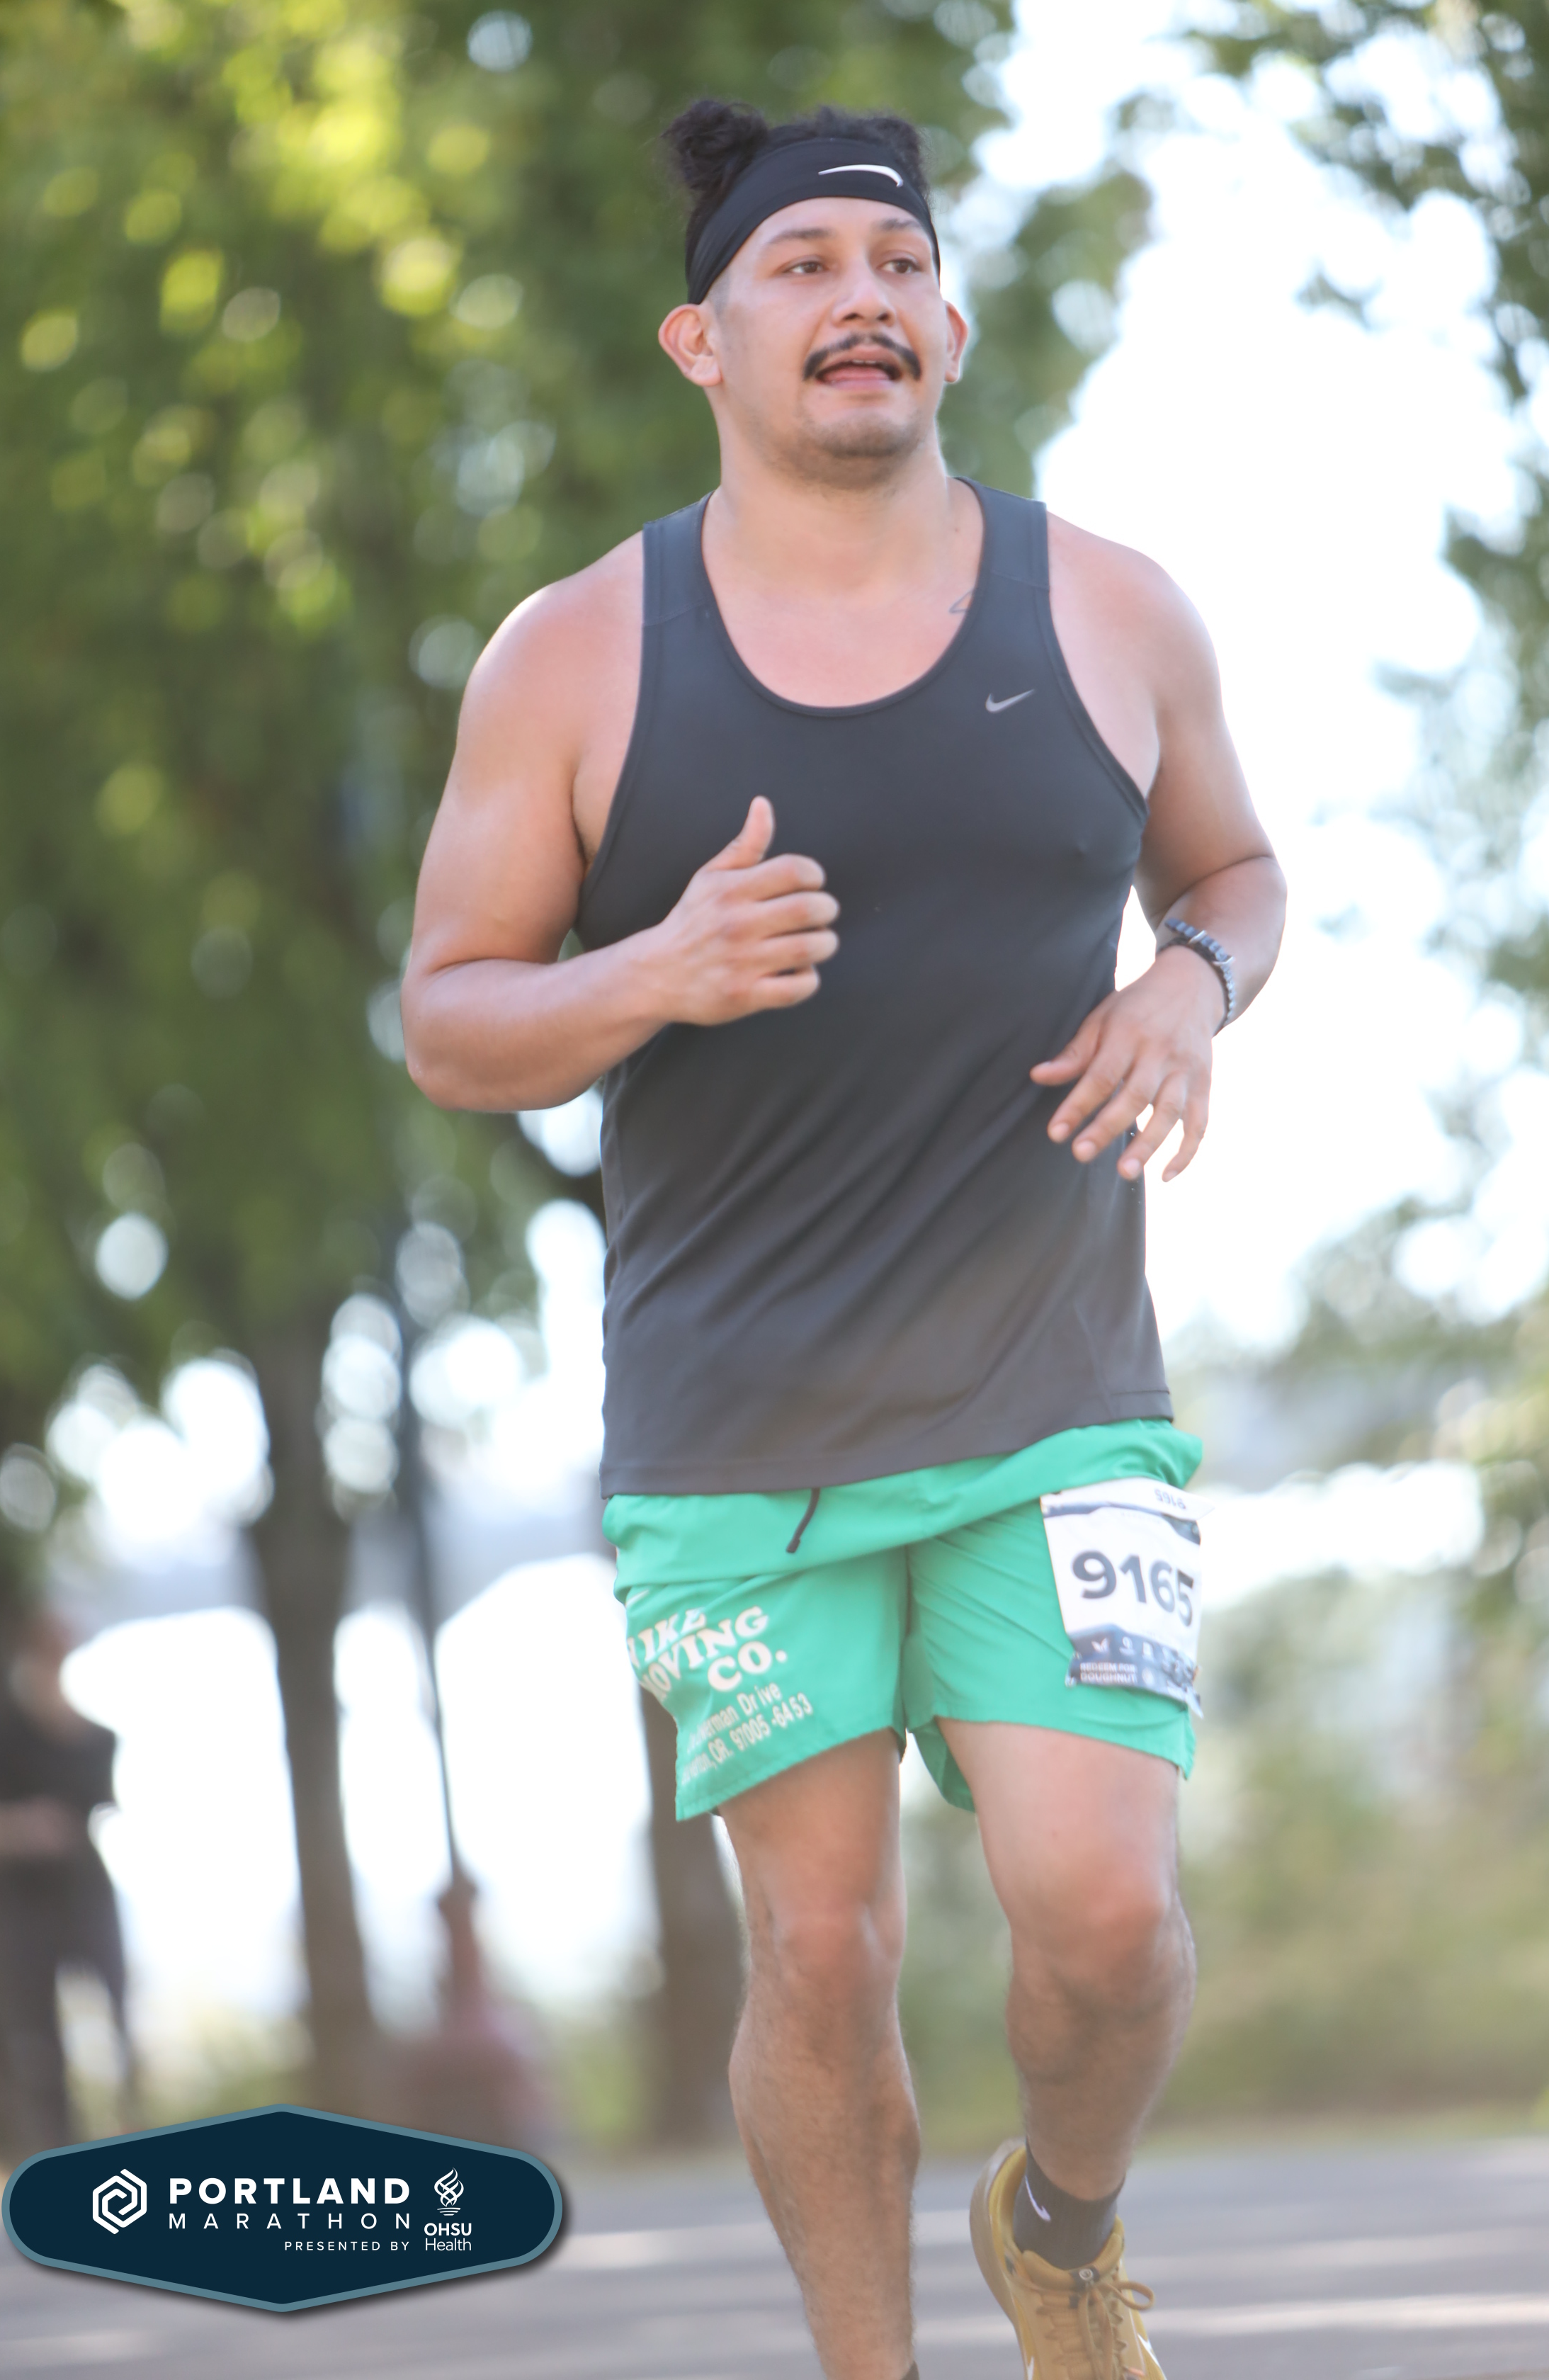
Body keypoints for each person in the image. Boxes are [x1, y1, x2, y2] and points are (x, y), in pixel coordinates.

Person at [403, 96, 1285, 2380]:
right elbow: (451, 1016)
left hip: (1051, 1393)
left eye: (893, 268)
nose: (857, 300)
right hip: (739, 1434)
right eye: (797, 267)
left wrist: (1188, 989)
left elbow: (1233, 871)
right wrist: (651, 972)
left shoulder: (1107, 606)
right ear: (700, 339)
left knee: (1105, 1918)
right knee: (818, 1956)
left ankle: (1059, 2225)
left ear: (948, 332)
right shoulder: (575, 654)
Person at [0, 1607, 135, 2166]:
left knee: (116, 2025)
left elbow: (103, 1810)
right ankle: (56, 2160)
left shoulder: (97, 1739)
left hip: (85, 1893)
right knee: (38, 2046)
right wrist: (23, 1829)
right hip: (20, 1905)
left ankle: (127, 2145)